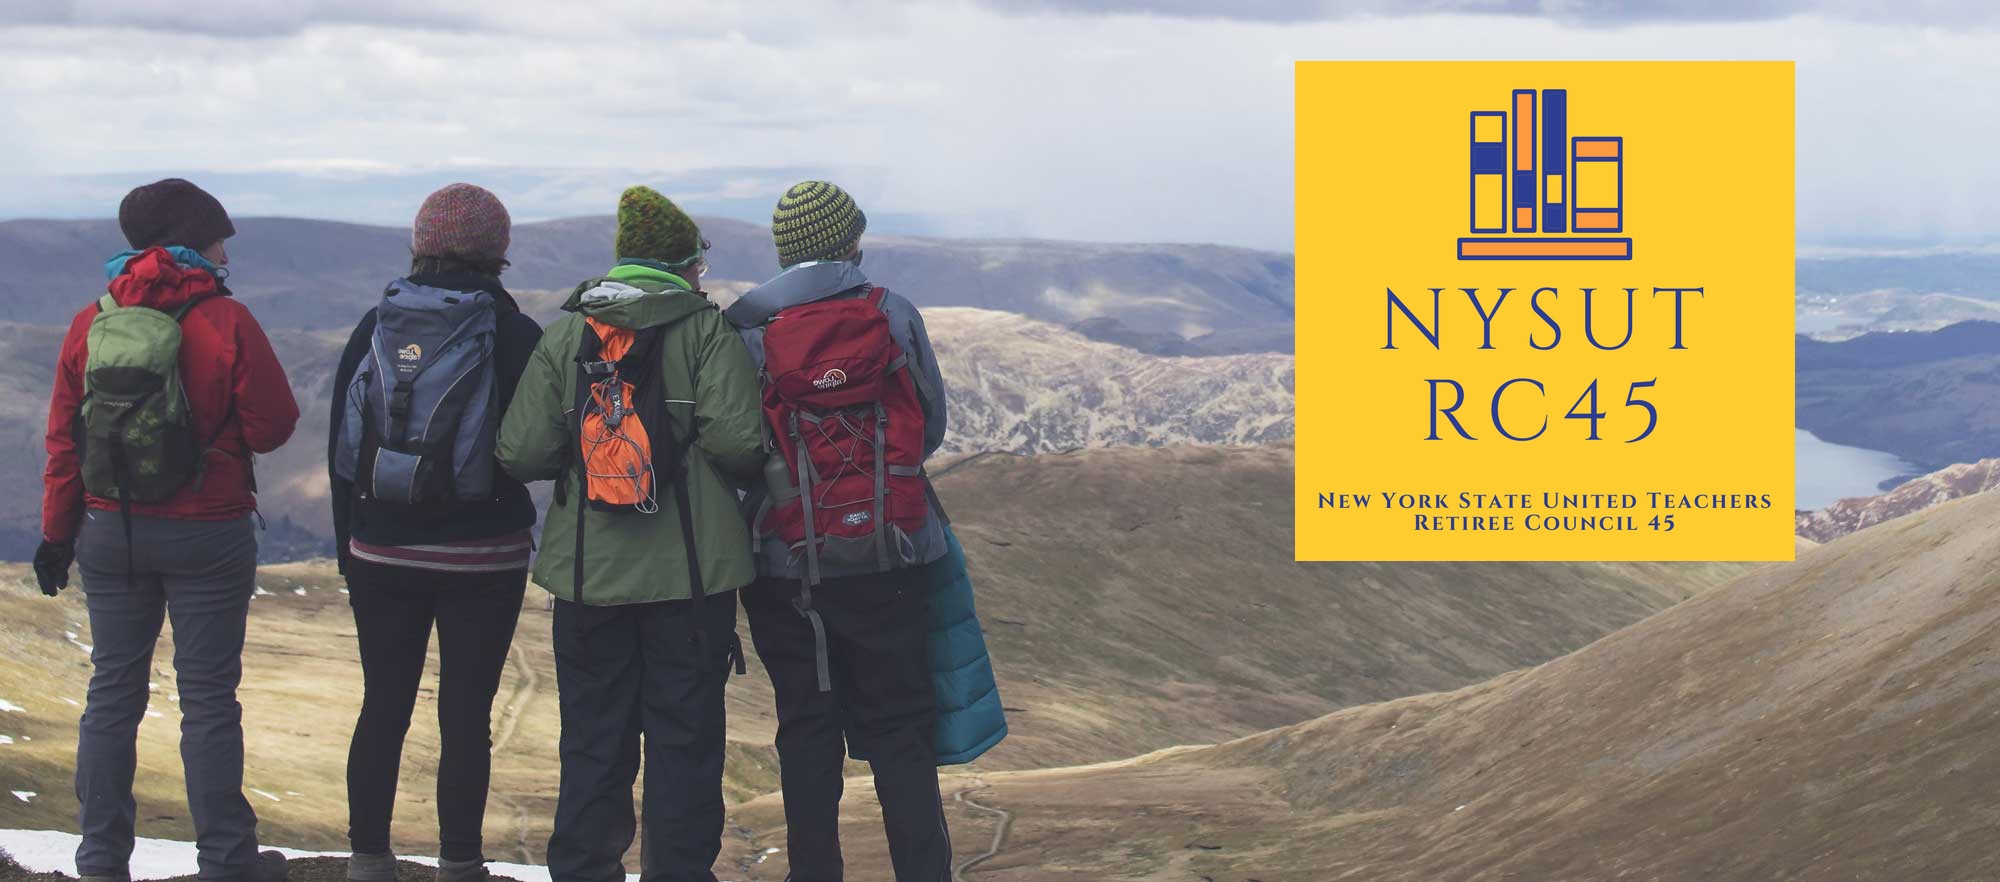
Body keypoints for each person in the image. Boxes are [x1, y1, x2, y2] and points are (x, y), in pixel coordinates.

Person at [496, 186, 765, 882]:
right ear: (682, 265)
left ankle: (585, 869)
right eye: (699, 263)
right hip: (692, 580)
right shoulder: (706, 333)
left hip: (590, 579)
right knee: (686, 742)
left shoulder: (567, 336)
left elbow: (521, 452)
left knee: (593, 740)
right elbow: (740, 444)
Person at [36, 178, 300, 882]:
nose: (226, 253)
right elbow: (274, 427)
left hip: (109, 528)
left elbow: (64, 441)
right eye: (219, 240)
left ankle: (100, 861)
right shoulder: (226, 319)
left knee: (111, 693)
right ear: (192, 241)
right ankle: (227, 862)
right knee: (208, 699)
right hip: (207, 530)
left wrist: (57, 536)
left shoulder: (91, 320)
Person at [723, 181, 954, 882]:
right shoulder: (892, 312)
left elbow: (736, 448)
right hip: (893, 554)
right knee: (901, 731)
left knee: (806, 726)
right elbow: (929, 427)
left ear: (784, 249)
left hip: (786, 563)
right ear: (851, 241)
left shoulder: (745, 328)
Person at [326, 184, 542, 882]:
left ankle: (368, 858)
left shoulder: (376, 325)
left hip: (381, 549)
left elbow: (341, 449)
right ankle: (460, 863)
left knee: (383, 704)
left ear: (420, 244)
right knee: (466, 713)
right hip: (484, 555)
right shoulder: (515, 334)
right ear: (497, 251)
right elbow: (541, 447)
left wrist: (350, 548)